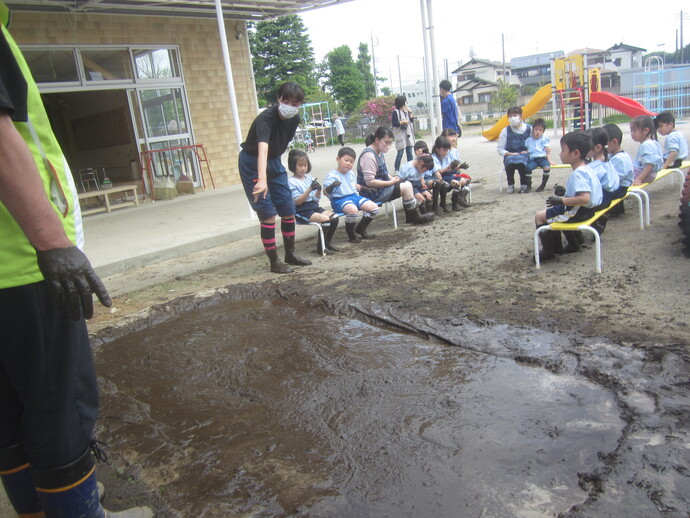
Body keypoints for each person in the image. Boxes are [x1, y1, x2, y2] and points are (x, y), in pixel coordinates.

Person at [0, 4, 152, 516]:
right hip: (19, 263)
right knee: (58, 408)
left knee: (9, 408)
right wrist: (52, 243)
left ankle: (40, 510)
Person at [238, 81, 312, 274]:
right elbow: (263, 149)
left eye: (295, 103)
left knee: (288, 209)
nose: (290, 106)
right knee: (268, 213)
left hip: (274, 161)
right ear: (279, 99)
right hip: (252, 162)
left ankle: (290, 254)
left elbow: (278, 146)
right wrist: (262, 180)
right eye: (286, 101)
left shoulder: (294, 120)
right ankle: (274, 262)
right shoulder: (265, 119)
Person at [535, 131, 603, 260]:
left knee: (540, 217)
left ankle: (550, 252)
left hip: (579, 212)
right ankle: (573, 243)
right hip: (589, 210)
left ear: (576, 153)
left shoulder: (579, 174)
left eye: (563, 150)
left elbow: (584, 198)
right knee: (552, 213)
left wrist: (561, 200)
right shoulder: (587, 168)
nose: (560, 154)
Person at [356, 126, 434, 226]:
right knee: (406, 186)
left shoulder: (379, 152)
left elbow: (384, 174)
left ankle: (412, 217)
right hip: (372, 193)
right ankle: (415, 217)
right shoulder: (369, 156)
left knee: (406, 183)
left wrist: (393, 178)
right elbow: (369, 182)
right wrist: (391, 182)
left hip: (380, 188)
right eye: (386, 142)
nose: (389, 145)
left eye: (390, 143)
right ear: (377, 140)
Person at [287, 149, 340, 255]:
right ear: (293, 166)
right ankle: (320, 248)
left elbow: (316, 199)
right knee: (325, 219)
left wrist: (319, 190)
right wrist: (309, 189)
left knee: (334, 218)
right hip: (302, 210)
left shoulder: (309, 178)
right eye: (300, 165)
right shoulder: (291, 182)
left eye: (305, 165)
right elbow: (298, 201)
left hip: (314, 207)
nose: (303, 168)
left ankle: (327, 243)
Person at [323, 147, 380, 243]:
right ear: (338, 159)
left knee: (374, 207)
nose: (348, 163)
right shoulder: (332, 175)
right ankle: (351, 235)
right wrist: (331, 186)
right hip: (339, 200)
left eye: (352, 162)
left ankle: (361, 228)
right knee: (352, 209)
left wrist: (364, 188)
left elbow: (353, 185)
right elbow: (325, 192)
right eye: (346, 160)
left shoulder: (351, 173)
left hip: (354, 197)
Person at [585, 127, 620, 235]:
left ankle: (595, 226)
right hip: (610, 196)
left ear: (597, 147)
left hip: (601, 200)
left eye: (586, 147)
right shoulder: (608, 162)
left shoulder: (593, 168)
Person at [497, 106, 532, 193]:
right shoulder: (505, 131)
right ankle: (511, 184)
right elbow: (500, 149)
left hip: (524, 155)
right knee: (510, 161)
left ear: (520, 116)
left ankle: (524, 184)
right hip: (510, 155)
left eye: (515, 115)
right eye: (510, 116)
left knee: (521, 161)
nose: (512, 118)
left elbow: (533, 145)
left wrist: (528, 152)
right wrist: (510, 154)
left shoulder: (529, 129)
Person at [431, 136, 469, 212]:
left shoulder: (446, 156)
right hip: (439, 177)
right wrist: (449, 167)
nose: (446, 151)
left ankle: (457, 201)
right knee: (456, 183)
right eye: (444, 149)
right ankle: (444, 203)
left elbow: (453, 169)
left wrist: (458, 166)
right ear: (437, 149)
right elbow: (439, 172)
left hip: (448, 175)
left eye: (447, 149)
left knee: (465, 180)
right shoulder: (433, 158)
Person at [603, 123, 634, 215]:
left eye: (604, 144)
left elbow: (613, 180)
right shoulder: (615, 156)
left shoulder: (619, 159)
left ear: (614, 142)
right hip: (619, 186)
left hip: (620, 188)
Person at [440, 128, 472, 207]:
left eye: (454, 136)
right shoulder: (443, 151)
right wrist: (453, 167)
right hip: (446, 175)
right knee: (459, 181)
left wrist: (460, 167)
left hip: (455, 173)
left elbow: (458, 167)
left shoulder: (455, 151)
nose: (453, 138)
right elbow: (443, 168)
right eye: (451, 136)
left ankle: (461, 198)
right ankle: (455, 201)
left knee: (468, 179)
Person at [630, 115, 663, 186]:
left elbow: (650, 165)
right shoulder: (652, 142)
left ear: (646, 130)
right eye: (631, 131)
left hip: (646, 174)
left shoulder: (646, 145)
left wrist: (639, 179)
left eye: (634, 130)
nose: (632, 133)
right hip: (649, 173)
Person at [525, 118, 552, 192]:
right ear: (533, 129)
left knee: (547, 167)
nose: (538, 132)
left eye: (540, 130)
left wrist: (550, 161)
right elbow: (527, 150)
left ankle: (543, 185)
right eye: (536, 129)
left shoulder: (545, 139)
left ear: (543, 132)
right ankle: (529, 185)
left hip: (543, 159)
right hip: (533, 159)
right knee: (527, 168)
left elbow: (547, 151)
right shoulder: (528, 140)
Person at [392, 95, 414, 172]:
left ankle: (411, 167)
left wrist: (410, 112)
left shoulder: (406, 111)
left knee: (409, 152)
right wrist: (402, 122)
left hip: (407, 134)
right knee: (400, 153)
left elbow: (411, 120)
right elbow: (394, 123)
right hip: (400, 134)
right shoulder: (395, 112)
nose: (406, 103)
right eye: (405, 101)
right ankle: (396, 169)